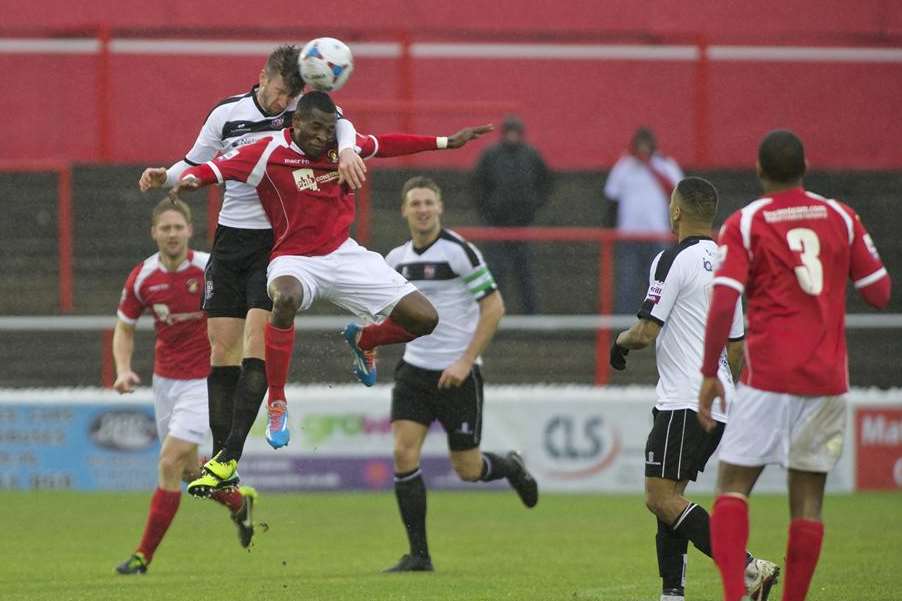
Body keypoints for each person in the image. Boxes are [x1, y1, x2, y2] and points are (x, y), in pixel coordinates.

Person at [169, 92, 493, 494]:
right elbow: (219, 167)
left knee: (424, 318)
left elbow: (388, 144)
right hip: (294, 258)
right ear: (295, 124)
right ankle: (278, 402)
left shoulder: (344, 148)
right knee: (283, 298)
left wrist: (446, 142)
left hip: (344, 254)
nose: (321, 136)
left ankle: (366, 338)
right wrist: (189, 180)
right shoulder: (269, 151)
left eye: (328, 129)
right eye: (314, 128)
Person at [137, 44, 367, 472]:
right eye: (280, 91)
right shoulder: (226, 114)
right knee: (220, 350)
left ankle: (232, 452)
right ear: (262, 77)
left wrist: (350, 148)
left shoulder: (299, 114)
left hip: (277, 241)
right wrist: (163, 176)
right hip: (230, 242)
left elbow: (344, 124)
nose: (283, 102)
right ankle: (223, 464)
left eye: (291, 95)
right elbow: (194, 161)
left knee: (253, 346)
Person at [698, 130, 892, 601]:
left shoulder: (746, 222)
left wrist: (709, 371)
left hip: (767, 378)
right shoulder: (842, 217)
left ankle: (731, 595)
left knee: (732, 487)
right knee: (808, 502)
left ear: (759, 170)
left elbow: (724, 301)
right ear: (805, 165)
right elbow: (879, 292)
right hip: (826, 381)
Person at [610, 177, 778, 601]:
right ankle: (673, 593)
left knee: (660, 498)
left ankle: (747, 569)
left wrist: (619, 342)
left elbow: (647, 331)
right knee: (674, 500)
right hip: (715, 401)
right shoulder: (727, 261)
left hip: (683, 398)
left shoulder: (671, 259)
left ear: (677, 211)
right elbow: (736, 345)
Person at [377, 176, 538, 573]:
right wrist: (370, 340)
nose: (422, 209)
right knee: (402, 452)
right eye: (415, 203)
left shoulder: (460, 252)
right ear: (404, 210)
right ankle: (419, 555)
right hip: (415, 369)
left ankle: (511, 467)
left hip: (459, 374)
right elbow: (383, 313)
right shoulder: (395, 259)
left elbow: (495, 307)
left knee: (467, 469)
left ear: (440, 207)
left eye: (429, 202)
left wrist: (465, 361)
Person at [113, 199, 257, 575]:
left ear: (190, 230)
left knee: (168, 461)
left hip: (204, 382)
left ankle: (142, 557)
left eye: (178, 227)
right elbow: (124, 327)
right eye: (165, 228)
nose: (172, 234)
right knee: (193, 471)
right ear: (154, 232)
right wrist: (123, 369)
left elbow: (240, 313)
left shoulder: (210, 269)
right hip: (166, 383)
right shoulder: (143, 276)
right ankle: (240, 505)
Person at [472, 115, 551, 314]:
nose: (512, 137)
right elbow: (477, 185)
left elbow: (546, 182)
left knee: (525, 275)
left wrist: (533, 206)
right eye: (509, 133)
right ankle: (494, 313)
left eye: (516, 133)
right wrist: (489, 211)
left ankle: (531, 315)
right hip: (496, 226)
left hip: (523, 226)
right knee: (496, 274)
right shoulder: (491, 155)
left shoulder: (531, 156)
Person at [603, 127, 683, 313]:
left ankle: (656, 321)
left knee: (658, 285)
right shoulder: (624, 167)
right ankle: (624, 326)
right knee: (627, 284)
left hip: (657, 235)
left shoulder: (665, 165)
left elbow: (679, 194)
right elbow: (611, 199)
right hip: (628, 236)